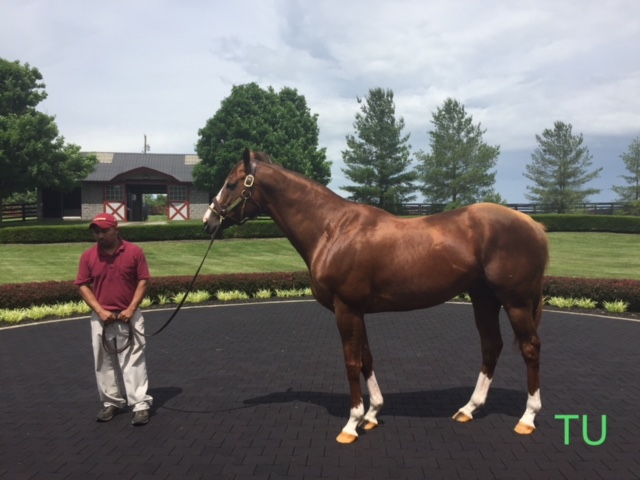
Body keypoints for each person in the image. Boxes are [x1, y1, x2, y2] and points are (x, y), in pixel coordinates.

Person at [75, 213, 153, 426]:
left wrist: (131, 309)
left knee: (133, 359)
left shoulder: (134, 252)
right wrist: (100, 311)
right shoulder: (89, 256)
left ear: (116, 230)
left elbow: (143, 281)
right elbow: (83, 285)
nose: (99, 235)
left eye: (104, 230)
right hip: (102, 317)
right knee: (103, 361)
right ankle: (112, 402)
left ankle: (139, 404)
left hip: (129, 315)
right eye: (96, 231)